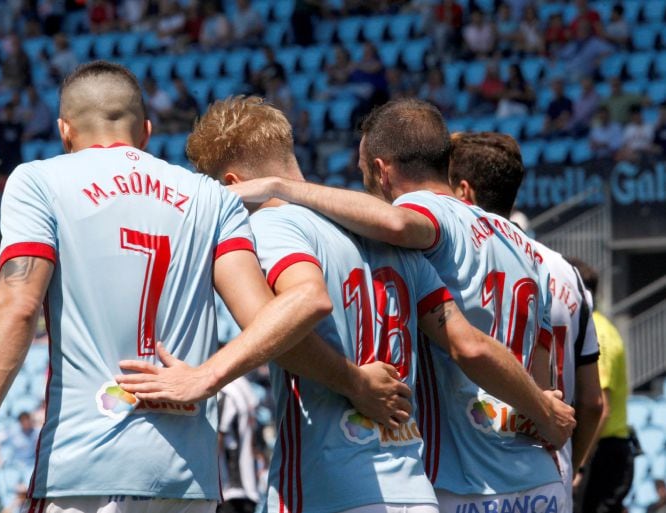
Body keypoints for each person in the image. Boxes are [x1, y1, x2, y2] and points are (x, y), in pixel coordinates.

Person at [0, 61, 399, 513]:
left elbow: (18, 306)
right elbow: (269, 323)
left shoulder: (38, 182)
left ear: (64, 131)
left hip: (86, 466)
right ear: (146, 132)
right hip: (188, 478)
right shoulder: (211, 197)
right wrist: (354, 381)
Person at [191, 97, 576, 513]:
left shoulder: (403, 222)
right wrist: (543, 411)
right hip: (491, 475)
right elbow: (525, 353)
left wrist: (207, 376)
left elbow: (302, 309)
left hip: (414, 481)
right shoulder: (510, 241)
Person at [447, 132, 605, 511]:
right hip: (549, 477)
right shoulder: (566, 272)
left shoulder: (452, 263)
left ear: (464, 192)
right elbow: (592, 403)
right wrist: (571, 464)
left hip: (468, 480)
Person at [571, 259, 635, 513]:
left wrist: (580, 464)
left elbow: (601, 406)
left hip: (603, 450)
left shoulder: (596, 332)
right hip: (608, 449)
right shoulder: (602, 326)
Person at [216, 376, 259, 513]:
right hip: (250, 486)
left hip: (229, 488)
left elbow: (218, 440)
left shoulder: (226, 391)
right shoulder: (244, 384)